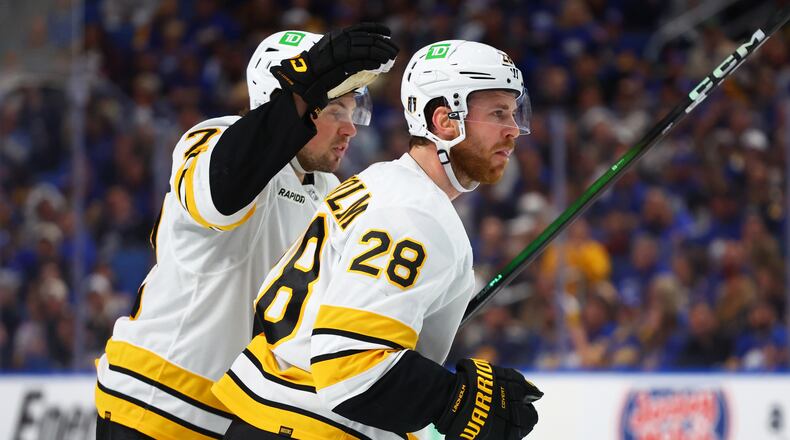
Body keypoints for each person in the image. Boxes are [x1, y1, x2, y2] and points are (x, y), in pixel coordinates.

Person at [212, 40, 542, 440]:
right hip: (311, 426)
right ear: (445, 120)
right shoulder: (415, 213)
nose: (513, 129)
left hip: (274, 416)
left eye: (514, 113)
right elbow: (351, 367)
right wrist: (456, 400)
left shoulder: (379, 181)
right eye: (498, 113)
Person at [94, 24, 398, 440]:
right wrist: (301, 90)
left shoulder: (330, 189)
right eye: (334, 110)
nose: (350, 128)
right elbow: (222, 190)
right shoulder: (213, 137)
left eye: (352, 111)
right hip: (156, 402)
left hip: (242, 417)